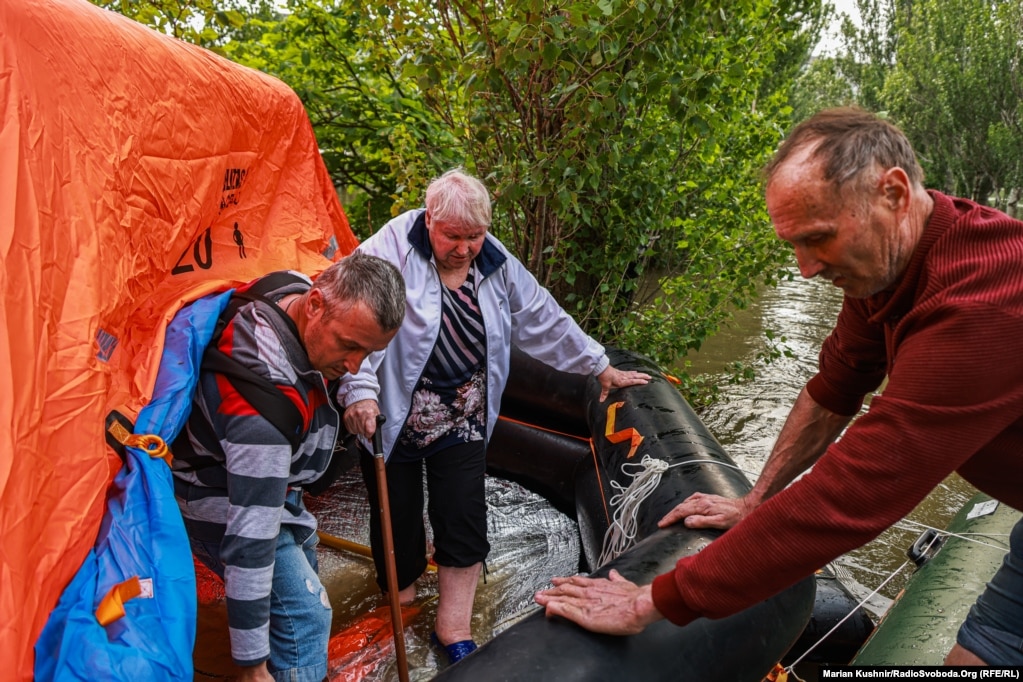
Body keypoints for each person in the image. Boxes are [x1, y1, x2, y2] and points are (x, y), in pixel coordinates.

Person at [535, 107, 1023, 666]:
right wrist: (754, 500)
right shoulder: (892, 267)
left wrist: (654, 599)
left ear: (892, 193)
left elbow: (857, 491)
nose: (806, 269)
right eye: (793, 243)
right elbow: (833, 388)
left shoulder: (982, 308)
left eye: (818, 239)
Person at [338, 167, 651, 664]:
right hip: (393, 410)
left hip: (463, 412)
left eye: (475, 236)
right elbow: (353, 317)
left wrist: (598, 365)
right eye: (452, 237)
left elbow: (541, 316)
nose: (464, 248)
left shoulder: (495, 260)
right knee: (394, 518)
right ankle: (399, 606)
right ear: (429, 218)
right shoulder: (389, 247)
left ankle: (452, 628)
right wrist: (358, 388)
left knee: (463, 516)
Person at [171, 252, 406, 682]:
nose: (353, 364)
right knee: (305, 616)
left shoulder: (293, 286)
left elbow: (353, 361)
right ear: (315, 304)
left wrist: (358, 389)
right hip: (217, 499)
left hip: (280, 491)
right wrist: (251, 662)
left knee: (305, 589)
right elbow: (250, 542)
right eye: (349, 346)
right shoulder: (260, 412)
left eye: (368, 352)